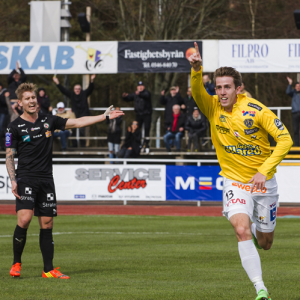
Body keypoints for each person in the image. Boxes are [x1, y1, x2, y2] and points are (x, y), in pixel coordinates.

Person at [189, 42, 293, 300]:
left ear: (239, 88)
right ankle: (261, 289)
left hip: (263, 184)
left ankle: (261, 231)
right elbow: (196, 91)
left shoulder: (257, 110)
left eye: (227, 87)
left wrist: (264, 170)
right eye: (218, 87)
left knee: (266, 243)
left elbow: (285, 140)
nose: (222, 92)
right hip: (234, 182)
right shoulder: (212, 107)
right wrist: (196, 69)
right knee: (241, 230)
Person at [5, 82, 123, 279]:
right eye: (27, 99)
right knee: (24, 219)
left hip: (46, 179)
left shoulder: (48, 120)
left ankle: (48, 270)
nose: (32, 101)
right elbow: (10, 155)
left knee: (47, 223)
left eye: (33, 97)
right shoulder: (13, 127)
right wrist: (13, 179)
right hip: (26, 178)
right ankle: (16, 263)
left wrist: (103, 116)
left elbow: (77, 123)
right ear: (20, 102)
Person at [52, 74, 96, 147]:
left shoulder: (84, 93)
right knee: (73, 130)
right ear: (74, 89)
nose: (77, 90)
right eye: (76, 89)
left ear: (80, 89)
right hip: (74, 116)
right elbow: (63, 90)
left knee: (82, 130)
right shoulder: (72, 94)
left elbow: (91, 88)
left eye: (79, 89)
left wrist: (92, 80)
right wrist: (57, 83)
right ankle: (74, 145)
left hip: (83, 114)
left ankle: (82, 146)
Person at [122, 81, 152, 153]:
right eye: (139, 86)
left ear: (144, 87)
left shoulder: (146, 93)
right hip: (138, 114)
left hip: (146, 114)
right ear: (137, 87)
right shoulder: (135, 94)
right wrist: (124, 97)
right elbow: (129, 97)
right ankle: (137, 143)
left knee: (147, 129)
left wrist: (140, 94)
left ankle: (146, 144)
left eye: (141, 86)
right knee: (136, 128)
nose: (140, 87)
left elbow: (146, 96)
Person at [286, 77, 300, 146]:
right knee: (295, 130)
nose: (298, 87)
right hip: (295, 114)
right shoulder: (293, 93)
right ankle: (297, 145)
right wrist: (290, 83)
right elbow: (288, 92)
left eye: (299, 86)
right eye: (297, 86)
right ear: (295, 87)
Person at [0, 83, 9, 150]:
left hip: (3, 113)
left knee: (2, 129)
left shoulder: (4, 93)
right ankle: (2, 146)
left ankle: (5, 146)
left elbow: (4, 102)